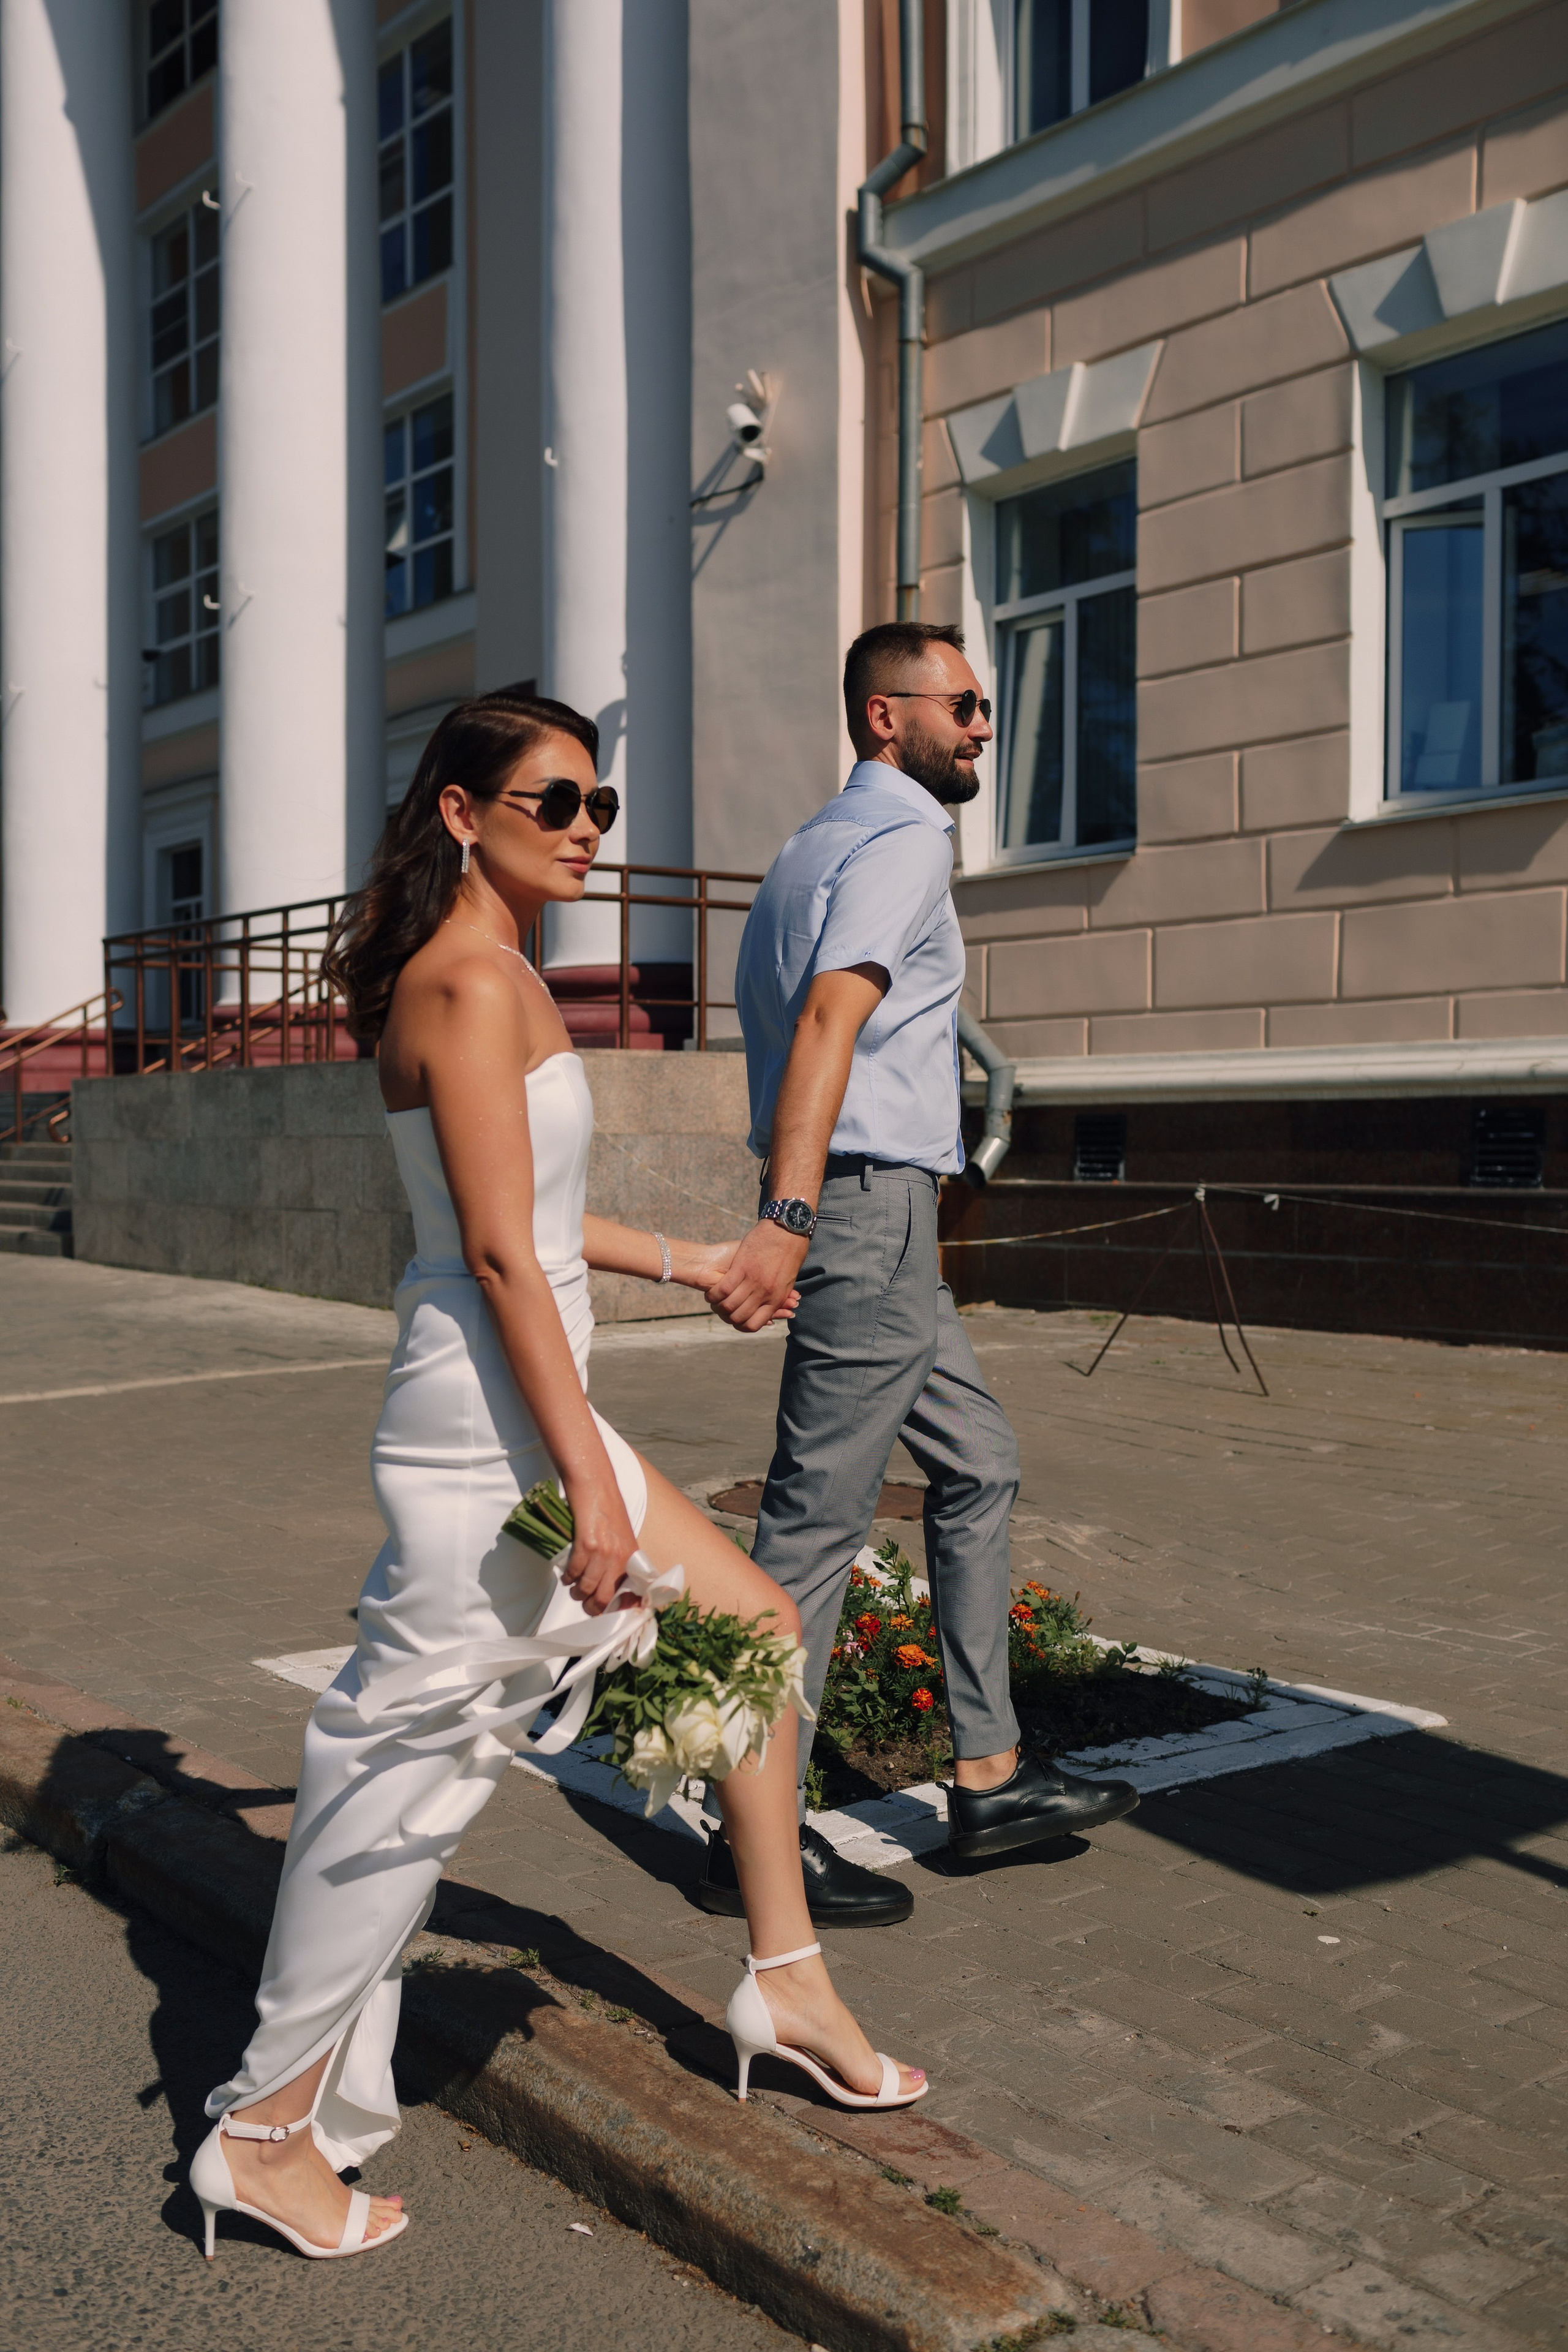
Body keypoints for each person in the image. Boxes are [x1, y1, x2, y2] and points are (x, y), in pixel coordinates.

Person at [189, 688, 927, 2266]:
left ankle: (781, 1974)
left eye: (598, 804)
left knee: (750, 1630)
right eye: (556, 801)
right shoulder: (466, 981)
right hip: (488, 1428)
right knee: (402, 1773)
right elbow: (490, 1256)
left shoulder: (489, 973)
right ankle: (261, 2131)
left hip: (518, 1410)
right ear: (463, 812)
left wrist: (690, 1261)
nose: (589, 828)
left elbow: (526, 1217)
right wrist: (590, 1487)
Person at [701, 622, 1138, 1927]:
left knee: (978, 1463)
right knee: (812, 1525)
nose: (983, 726)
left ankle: (990, 1777)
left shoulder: (806, 847)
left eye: (986, 705)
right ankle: (751, 1833)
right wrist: (785, 1211)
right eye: (963, 704)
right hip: (861, 1205)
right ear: (885, 718)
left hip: (872, 1213)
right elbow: (831, 1019)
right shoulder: (901, 840)